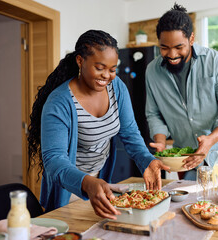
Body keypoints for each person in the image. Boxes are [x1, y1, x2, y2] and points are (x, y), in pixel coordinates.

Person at [27, 30, 169, 219]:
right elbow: (54, 160)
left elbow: (129, 132)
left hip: (99, 182)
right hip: (68, 187)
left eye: (112, 69)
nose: (107, 76)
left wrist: (146, 160)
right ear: (80, 61)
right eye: (100, 67)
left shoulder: (116, 87)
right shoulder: (59, 102)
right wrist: (87, 182)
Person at [145, 3, 218, 183]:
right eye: (164, 47)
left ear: (191, 38)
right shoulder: (152, 71)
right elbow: (154, 114)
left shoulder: (215, 61)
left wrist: (210, 140)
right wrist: (160, 141)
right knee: (188, 209)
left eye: (178, 47)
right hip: (185, 160)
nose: (172, 54)